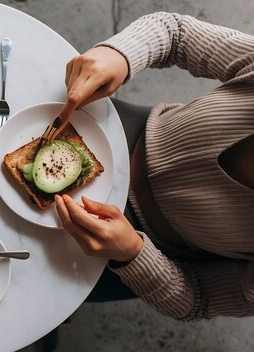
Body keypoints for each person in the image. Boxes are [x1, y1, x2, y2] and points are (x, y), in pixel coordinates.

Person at [54, 11, 254, 321]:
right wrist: (118, 55)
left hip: (131, 241)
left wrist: (132, 254)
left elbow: (198, 300)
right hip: (126, 129)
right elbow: (176, 34)